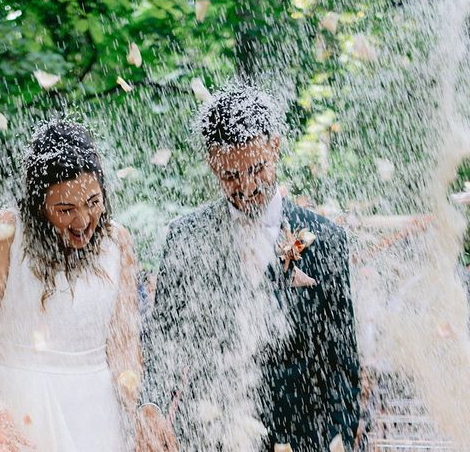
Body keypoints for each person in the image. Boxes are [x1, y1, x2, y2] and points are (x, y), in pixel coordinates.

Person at [137, 82, 360, 452]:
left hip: (302, 437)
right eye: (230, 176)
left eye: (257, 169)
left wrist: (338, 439)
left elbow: (341, 361)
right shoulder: (185, 238)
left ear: (275, 145)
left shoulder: (325, 239)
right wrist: (151, 408)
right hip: (210, 434)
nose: (246, 186)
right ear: (212, 163)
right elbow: (163, 343)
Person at [0, 120, 141, 452]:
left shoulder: (119, 242)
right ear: (39, 205)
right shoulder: (6, 234)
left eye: (93, 202)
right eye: (65, 209)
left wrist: (138, 410)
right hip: (19, 409)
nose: (83, 221)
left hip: (97, 418)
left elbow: (124, 344)